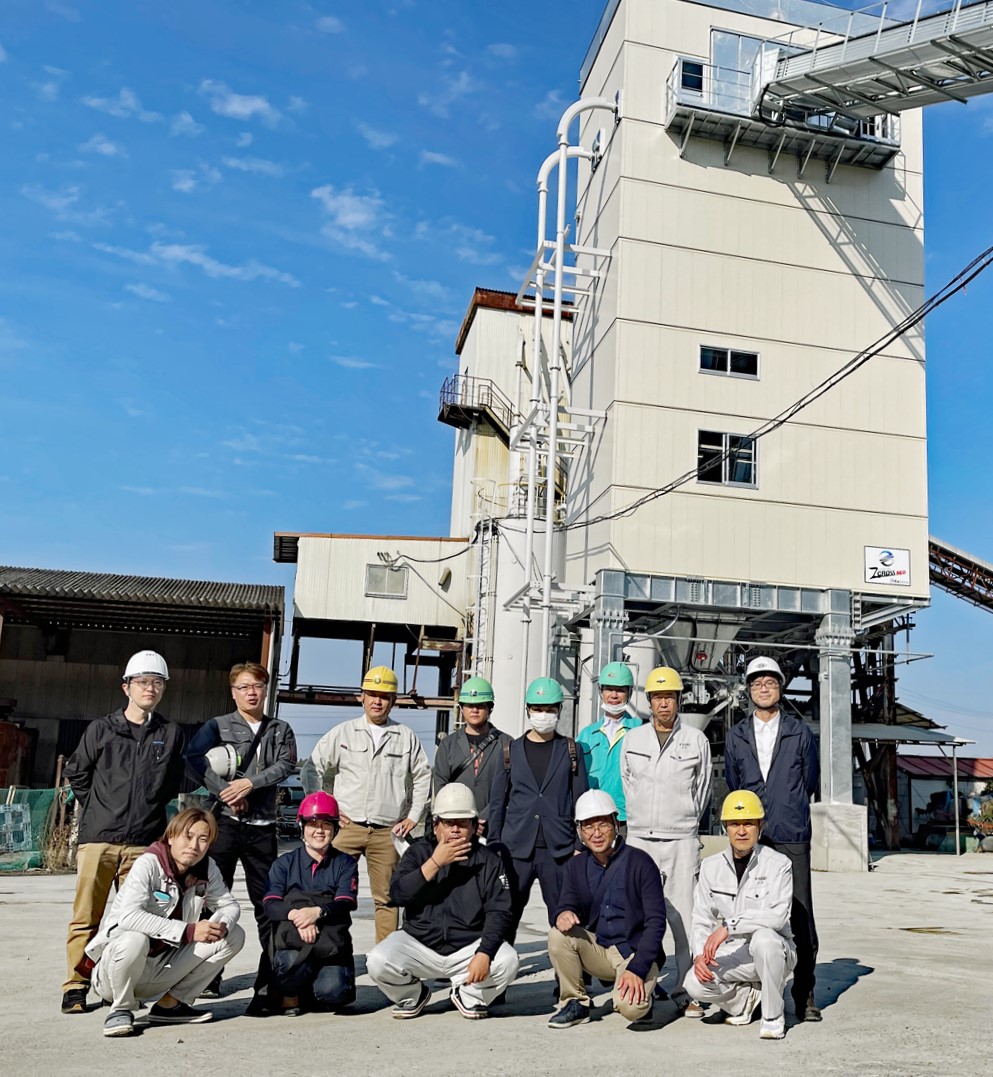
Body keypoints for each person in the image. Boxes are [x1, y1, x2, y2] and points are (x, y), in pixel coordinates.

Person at [61, 650, 185, 1015]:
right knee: (87, 916)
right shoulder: (102, 729)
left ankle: (125, 985)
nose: (150, 688)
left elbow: (171, 783)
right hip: (98, 840)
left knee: (139, 918)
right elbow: (78, 772)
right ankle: (75, 984)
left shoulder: (170, 732)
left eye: (157, 682)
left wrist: (148, 810)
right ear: (126, 687)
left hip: (144, 844)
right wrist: (100, 807)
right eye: (143, 682)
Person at [184, 661, 297, 1013]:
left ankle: (271, 976)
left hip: (263, 828)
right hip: (224, 826)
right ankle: (207, 974)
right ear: (233, 692)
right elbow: (192, 759)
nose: (251, 692)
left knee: (268, 904)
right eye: (244, 686)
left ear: (266, 690)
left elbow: (287, 764)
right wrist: (225, 792)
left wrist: (251, 782)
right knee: (213, 900)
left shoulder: (280, 728)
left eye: (258, 686)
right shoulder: (216, 727)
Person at [87, 807, 245, 1038]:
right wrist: (189, 931)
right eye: (188, 836)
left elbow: (230, 905)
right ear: (171, 836)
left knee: (234, 935)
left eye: (203, 839)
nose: (194, 845)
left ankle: (171, 1005)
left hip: (161, 967)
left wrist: (220, 924)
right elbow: (129, 916)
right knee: (134, 938)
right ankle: (120, 1009)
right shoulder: (148, 864)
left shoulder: (206, 868)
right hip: (116, 973)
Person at [366, 782, 519, 1019]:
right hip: (419, 942)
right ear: (436, 825)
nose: (455, 830)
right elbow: (396, 895)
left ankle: (468, 995)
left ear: (474, 825)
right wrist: (435, 863)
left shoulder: (489, 860)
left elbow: (500, 911)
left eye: (462, 822)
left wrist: (485, 952)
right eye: (448, 823)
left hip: (467, 947)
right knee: (377, 960)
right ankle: (412, 995)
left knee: (508, 961)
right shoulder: (417, 853)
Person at [723, 655, 821, 1022]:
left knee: (799, 913)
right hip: (752, 836)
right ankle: (759, 991)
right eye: (756, 683)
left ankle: (805, 994)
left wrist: (788, 804)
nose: (763, 687)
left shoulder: (799, 732)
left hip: (792, 831)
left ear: (780, 688)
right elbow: (735, 784)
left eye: (770, 682)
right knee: (753, 913)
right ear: (749, 691)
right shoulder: (737, 736)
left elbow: (810, 780)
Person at [302, 665, 431, 943]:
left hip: (387, 832)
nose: (377, 701)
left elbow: (423, 776)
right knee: (327, 890)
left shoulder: (406, 737)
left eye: (384, 696)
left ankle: (384, 960)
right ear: (361, 696)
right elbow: (312, 769)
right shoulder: (343, 733)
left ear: (393, 701)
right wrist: (325, 809)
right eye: (372, 694)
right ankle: (325, 949)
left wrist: (413, 815)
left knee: (387, 898)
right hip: (346, 829)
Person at [621, 666, 711, 1014]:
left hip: (681, 840)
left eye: (669, 697)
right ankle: (643, 981)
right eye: (657, 697)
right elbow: (629, 784)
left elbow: (701, 792)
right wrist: (643, 819)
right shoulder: (634, 740)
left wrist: (683, 816)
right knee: (639, 914)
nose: (663, 704)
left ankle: (685, 989)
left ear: (678, 700)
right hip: (641, 839)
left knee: (684, 918)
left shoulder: (695, 741)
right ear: (649, 701)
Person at [547, 790, 666, 1029]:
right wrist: (563, 914)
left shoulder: (640, 862)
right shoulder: (576, 866)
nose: (596, 833)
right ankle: (575, 1001)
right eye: (588, 827)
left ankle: (645, 994)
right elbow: (564, 904)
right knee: (557, 935)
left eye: (603, 824)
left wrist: (638, 968)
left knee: (631, 1008)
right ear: (580, 831)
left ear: (615, 823)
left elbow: (656, 922)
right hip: (600, 950)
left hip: (632, 952)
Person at [683, 790, 797, 1040]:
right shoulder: (711, 867)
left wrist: (729, 926)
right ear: (725, 827)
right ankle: (745, 1001)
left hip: (776, 952)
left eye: (748, 823)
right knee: (694, 982)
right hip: (737, 954)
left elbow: (777, 917)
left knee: (765, 940)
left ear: (760, 826)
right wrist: (700, 954)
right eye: (735, 824)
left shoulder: (779, 865)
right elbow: (701, 917)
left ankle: (772, 1016)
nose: (742, 831)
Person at [486, 677, 589, 937]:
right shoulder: (510, 750)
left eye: (550, 709)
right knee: (506, 912)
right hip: (516, 848)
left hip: (559, 849)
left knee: (564, 913)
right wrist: (494, 843)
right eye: (538, 709)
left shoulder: (571, 750)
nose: (543, 714)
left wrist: (579, 846)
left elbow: (582, 801)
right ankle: (498, 966)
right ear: (528, 710)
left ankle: (568, 975)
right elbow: (498, 802)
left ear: (559, 711)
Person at [262, 792, 358, 1016]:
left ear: (335, 829)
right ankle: (292, 992)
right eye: (313, 824)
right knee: (288, 964)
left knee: (334, 993)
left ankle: (315, 988)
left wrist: (318, 912)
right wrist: (298, 915)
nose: (319, 831)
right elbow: (270, 904)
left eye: (326, 825)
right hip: (295, 943)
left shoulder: (345, 863)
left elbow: (346, 902)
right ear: (302, 827)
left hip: (330, 945)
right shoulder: (284, 863)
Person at [433, 676, 511, 832]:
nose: (474, 710)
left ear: (490, 708)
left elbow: (510, 787)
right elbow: (441, 786)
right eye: (469, 705)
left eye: (480, 705)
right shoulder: (448, 744)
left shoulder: (507, 744)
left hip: (495, 828)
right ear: (462, 708)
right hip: (457, 829)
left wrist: (484, 818)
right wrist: (464, 820)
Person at [576, 662, 641, 833]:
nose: (614, 695)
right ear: (600, 691)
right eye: (609, 689)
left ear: (630, 693)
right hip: (593, 817)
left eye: (620, 690)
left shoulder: (641, 730)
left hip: (628, 820)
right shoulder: (586, 735)